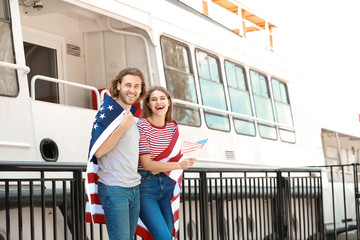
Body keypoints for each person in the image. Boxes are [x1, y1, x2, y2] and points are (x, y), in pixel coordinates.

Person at [85, 67, 146, 240]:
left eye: (137, 86)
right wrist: (123, 127)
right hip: (114, 188)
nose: (132, 90)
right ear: (118, 86)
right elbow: (99, 151)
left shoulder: (132, 116)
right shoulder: (109, 113)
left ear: (141, 90)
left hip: (134, 188)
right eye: (128, 85)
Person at [136, 86, 196, 240]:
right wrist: (179, 165)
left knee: (168, 235)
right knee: (163, 237)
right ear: (148, 104)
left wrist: (186, 161)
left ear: (169, 102)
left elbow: (174, 155)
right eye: (154, 99)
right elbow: (147, 164)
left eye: (162, 98)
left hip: (168, 186)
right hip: (146, 187)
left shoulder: (172, 127)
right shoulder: (143, 125)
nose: (158, 102)